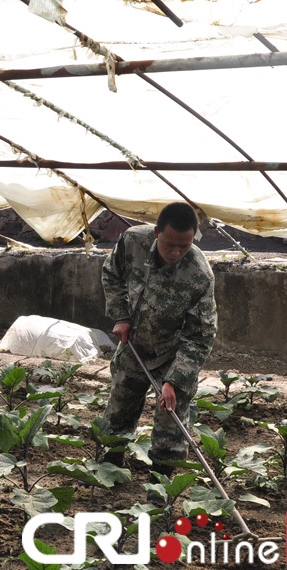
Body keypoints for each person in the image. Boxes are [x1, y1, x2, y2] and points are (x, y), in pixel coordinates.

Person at [100, 202, 217, 481]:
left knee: (170, 419)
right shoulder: (133, 241)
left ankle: (160, 482)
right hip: (135, 343)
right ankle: (110, 466)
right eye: (170, 245)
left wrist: (174, 380)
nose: (176, 252)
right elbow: (111, 273)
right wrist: (121, 316)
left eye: (184, 246)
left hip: (174, 353)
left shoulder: (199, 274)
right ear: (156, 233)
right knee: (120, 403)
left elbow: (200, 337)